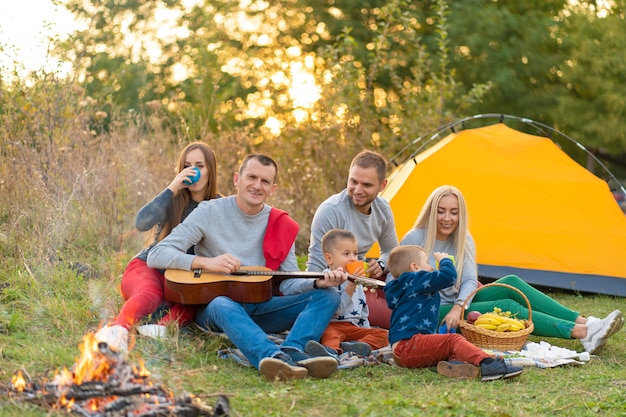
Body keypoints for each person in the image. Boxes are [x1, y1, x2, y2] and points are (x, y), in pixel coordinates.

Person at [147, 154, 344, 382]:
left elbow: (289, 283)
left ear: (273, 188)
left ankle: (292, 350)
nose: (257, 186)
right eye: (252, 177)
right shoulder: (209, 211)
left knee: (327, 297)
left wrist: (317, 282)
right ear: (237, 179)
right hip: (217, 310)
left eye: (265, 181)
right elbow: (157, 254)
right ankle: (271, 357)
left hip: (261, 307)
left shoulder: (281, 224)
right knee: (222, 304)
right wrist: (205, 262)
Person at [400, 185, 624, 354]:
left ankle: (588, 323)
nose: (447, 218)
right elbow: (397, 280)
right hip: (427, 310)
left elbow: (469, 279)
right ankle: (581, 333)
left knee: (511, 281)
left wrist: (459, 306)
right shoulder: (415, 238)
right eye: (441, 211)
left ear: (461, 215)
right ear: (432, 211)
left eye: (453, 212)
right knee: (506, 306)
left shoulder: (463, 240)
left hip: (456, 305)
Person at [96, 142, 221, 353]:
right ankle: (118, 331)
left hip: (185, 275)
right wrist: (172, 187)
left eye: (200, 165)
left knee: (197, 297)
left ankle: (160, 329)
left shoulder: (220, 205)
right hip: (148, 266)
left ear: (211, 170)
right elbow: (141, 223)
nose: (193, 171)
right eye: (187, 165)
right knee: (150, 293)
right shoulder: (173, 199)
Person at [385, 245, 524, 381]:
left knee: (449, 344)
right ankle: (489, 364)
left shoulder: (404, 286)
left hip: (406, 349)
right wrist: (445, 261)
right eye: (427, 263)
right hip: (409, 346)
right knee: (453, 339)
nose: (431, 267)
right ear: (414, 267)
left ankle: (455, 365)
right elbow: (448, 276)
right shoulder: (414, 279)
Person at [306, 150, 398, 327]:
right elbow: (315, 267)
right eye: (353, 181)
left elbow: (392, 252)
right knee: (394, 316)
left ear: (382, 185)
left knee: (406, 277)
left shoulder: (383, 209)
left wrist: (380, 264)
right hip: (336, 285)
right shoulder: (331, 211)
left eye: (366, 185)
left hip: (363, 279)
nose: (358, 190)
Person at [304, 229, 389, 360]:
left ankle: (355, 347)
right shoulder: (328, 278)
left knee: (384, 335)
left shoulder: (356, 279)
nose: (353, 259)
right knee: (329, 335)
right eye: (346, 254)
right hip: (332, 325)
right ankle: (330, 352)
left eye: (355, 254)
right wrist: (351, 286)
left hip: (353, 327)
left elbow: (363, 309)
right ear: (329, 258)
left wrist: (365, 329)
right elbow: (338, 310)